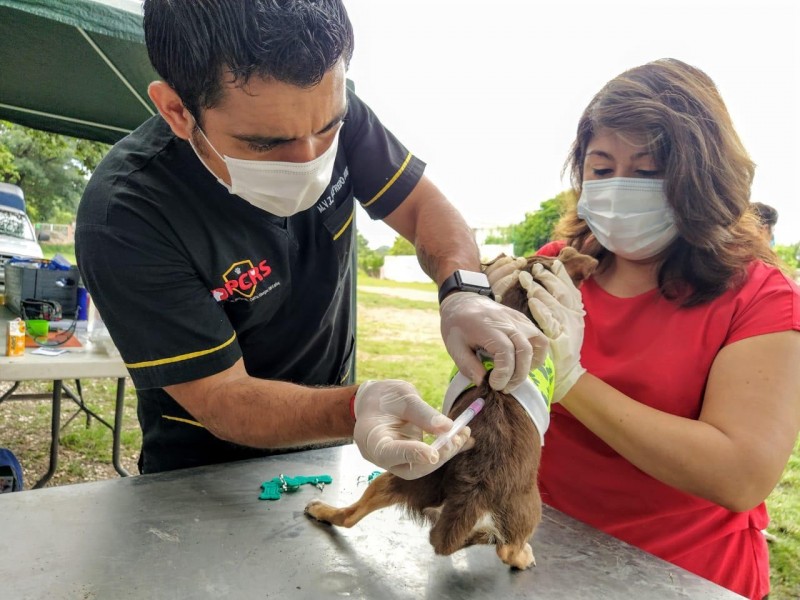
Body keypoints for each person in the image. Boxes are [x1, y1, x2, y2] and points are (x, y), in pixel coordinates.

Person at [75, 0, 543, 478]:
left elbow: (423, 208)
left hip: (333, 442)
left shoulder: (329, 111)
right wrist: (357, 407)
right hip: (202, 470)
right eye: (265, 144)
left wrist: (464, 292)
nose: (308, 159)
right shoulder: (126, 214)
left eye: (328, 130)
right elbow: (223, 399)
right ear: (177, 110)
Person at [487, 59, 800, 599]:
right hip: (542, 549)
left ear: (702, 178)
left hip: (682, 576)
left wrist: (571, 380)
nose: (620, 188)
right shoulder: (557, 267)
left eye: (650, 170)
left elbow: (740, 476)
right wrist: (486, 318)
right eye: (602, 170)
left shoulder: (760, 297)